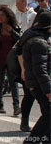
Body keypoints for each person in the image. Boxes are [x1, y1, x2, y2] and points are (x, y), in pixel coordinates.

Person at [21, 11, 50, 143]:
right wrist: (48, 90)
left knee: (48, 114)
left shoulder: (36, 36)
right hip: (39, 84)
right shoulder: (39, 42)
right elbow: (40, 69)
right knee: (49, 115)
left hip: (36, 83)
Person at [0, 5, 21, 115]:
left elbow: (20, 41)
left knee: (14, 83)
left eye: (2, 15)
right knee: (0, 83)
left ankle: (16, 106)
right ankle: (0, 105)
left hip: (12, 60)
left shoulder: (15, 27)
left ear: (8, 16)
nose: (0, 17)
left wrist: (12, 32)